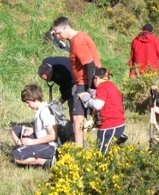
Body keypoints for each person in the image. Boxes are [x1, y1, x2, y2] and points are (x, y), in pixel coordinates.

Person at [51, 16, 101, 145]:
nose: (58, 36)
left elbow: (90, 64)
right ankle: (83, 147)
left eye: (59, 33)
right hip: (84, 81)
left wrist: (91, 88)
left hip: (85, 82)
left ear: (67, 27)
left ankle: (79, 150)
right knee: (81, 116)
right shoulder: (78, 38)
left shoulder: (78, 41)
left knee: (77, 117)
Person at [78, 67, 126, 154]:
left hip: (110, 125)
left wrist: (86, 99)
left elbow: (98, 105)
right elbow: (108, 107)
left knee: (101, 154)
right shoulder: (112, 86)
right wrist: (93, 121)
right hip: (118, 123)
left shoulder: (102, 87)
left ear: (96, 78)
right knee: (110, 153)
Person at [11, 84, 58, 166]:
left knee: (16, 157)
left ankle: (44, 161)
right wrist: (33, 129)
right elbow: (44, 128)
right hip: (39, 138)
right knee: (15, 130)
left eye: (28, 102)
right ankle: (24, 149)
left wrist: (32, 142)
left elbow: (53, 136)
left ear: (35, 99)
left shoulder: (45, 112)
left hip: (48, 146)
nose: (27, 105)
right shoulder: (39, 109)